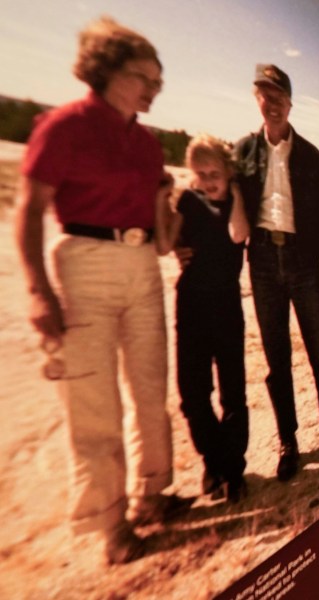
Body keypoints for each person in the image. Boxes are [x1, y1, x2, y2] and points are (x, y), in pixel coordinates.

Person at [15, 17, 189, 565]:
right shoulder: (63, 126)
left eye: (159, 82)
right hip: (83, 265)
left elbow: (160, 235)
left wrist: (168, 206)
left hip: (141, 267)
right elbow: (30, 210)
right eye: (145, 78)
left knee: (149, 387)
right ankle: (111, 528)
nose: (153, 90)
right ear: (106, 69)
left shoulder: (147, 143)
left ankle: (152, 495)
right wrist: (40, 293)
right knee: (94, 401)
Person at [233, 64, 319, 482]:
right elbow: (228, 202)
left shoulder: (310, 155)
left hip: (302, 264)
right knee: (276, 359)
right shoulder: (243, 150)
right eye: (264, 95)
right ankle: (288, 441)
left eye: (278, 97)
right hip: (262, 263)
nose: (272, 104)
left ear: (290, 104)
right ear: (256, 100)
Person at [156, 134, 250, 503]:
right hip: (191, 305)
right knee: (193, 395)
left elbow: (238, 233)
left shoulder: (237, 204)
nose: (208, 180)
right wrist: (160, 198)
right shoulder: (188, 201)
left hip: (227, 305)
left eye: (215, 173)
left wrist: (237, 193)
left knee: (233, 393)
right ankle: (215, 461)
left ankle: (233, 472)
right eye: (200, 173)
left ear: (228, 171)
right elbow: (164, 245)